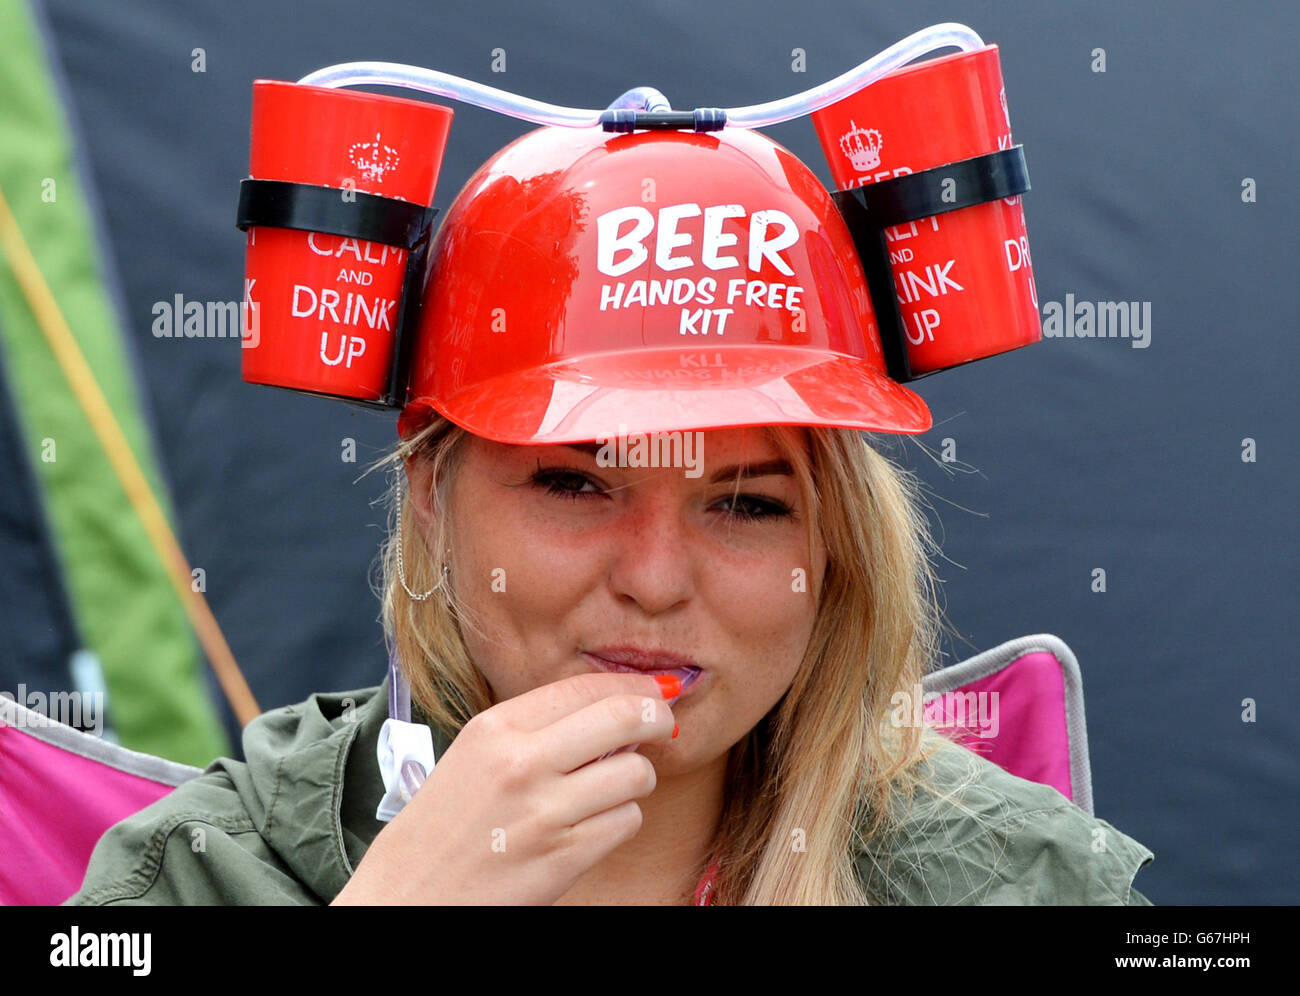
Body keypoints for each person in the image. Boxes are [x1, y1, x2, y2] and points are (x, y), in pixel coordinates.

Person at [68, 119, 1153, 906]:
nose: (654, 576)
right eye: (575, 484)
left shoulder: (1029, 885)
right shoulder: (192, 880)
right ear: (431, 505)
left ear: (835, 554)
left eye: (744, 504)